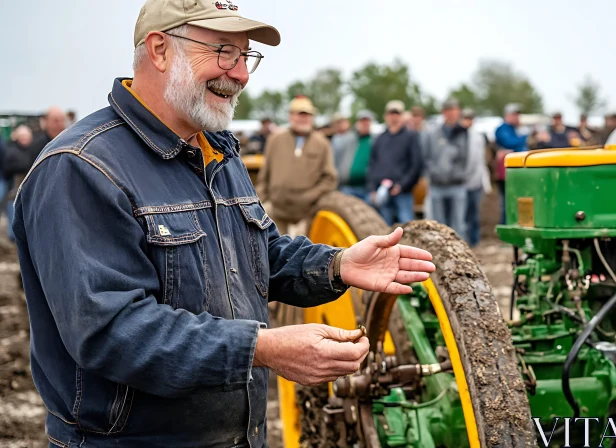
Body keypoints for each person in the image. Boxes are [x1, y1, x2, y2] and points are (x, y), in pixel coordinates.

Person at [13, 1, 436, 446]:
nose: (241, 75)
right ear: (159, 50)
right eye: (223, 51)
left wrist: (337, 264)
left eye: (245, 56)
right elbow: (111, 332)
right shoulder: (82, 167)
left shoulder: (215, 149)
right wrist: (262, 348)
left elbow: (257, 254)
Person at [256, 96, 337, 236]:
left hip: (306, 214)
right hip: (276, 211)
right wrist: (260, 202)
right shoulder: (275, 140)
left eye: (308, 115)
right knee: (273, 252)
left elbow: (330, 178)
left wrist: (310, 196)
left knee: (302, 254)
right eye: (300, 114)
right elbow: (264, 175)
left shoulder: (322, 143)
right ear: (291, 116)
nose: (304, 119)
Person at [367, 100, 423, 226]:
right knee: (383, 228)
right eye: (391, 114)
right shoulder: (380, 138)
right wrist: (372, 188)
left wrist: (402, 186)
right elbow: (372, 164)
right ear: (386, 116)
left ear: (403, 116)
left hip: (402, 192)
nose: (394, 117)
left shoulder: (411, 137)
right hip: (382, 191)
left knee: (407, 226)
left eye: (397, 114)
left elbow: (416, 165)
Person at [421, 98, 469, 239]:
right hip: (437, 185)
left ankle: (460, 257)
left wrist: (459, 174)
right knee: (439, 225)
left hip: (457, 184)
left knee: (458, 224)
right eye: (448, 110)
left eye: (454, 110)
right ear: (443, 112)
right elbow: (426, 157)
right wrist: (435, 173)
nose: (451, 114)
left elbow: (467, 157)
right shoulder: (432, 134)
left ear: (458, 111)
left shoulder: (463, 133)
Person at [460, 108, 490, 247]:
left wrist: (485, 181)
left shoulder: (478, 136)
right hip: (461, 182)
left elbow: (480, 160)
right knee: (462, 214)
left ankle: (474, 240)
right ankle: (463, 240)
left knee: (474, 213)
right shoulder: (458, 136)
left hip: (476, 181)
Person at [494, 103, 528, 224]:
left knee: (517, 200)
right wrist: (524, 137)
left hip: (518, 170)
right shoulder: (502, 129)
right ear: (507, 115)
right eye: (514, 115)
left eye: (517, 115)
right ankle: (506, 226)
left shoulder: (515, 129)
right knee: (507, 201)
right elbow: (510, 143)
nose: (517, 117)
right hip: (507, 171)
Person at [333, 110, 374, 201]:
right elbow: (336, 159)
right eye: (362, 121)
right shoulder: (348, 139)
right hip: (347, 187)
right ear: (357, 123)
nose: (364, 124)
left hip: (367, 189)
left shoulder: (374, 141)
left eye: (367, 122)